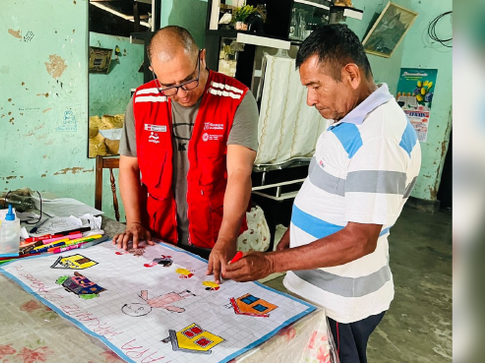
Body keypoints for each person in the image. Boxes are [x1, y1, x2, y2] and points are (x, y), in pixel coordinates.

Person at [223, 24, 422, 363]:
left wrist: (271, 261)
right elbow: (337, 193)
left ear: (351, 74)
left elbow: (360, 239)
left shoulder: (376, 138)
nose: (309, 99)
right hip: (325, 290)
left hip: (341, 301)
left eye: (315, 86)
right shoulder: (356, 117)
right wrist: (295, 236)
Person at [112, 26, 259, 284]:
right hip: (156, 236)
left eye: (188, 80)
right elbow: (129, 167)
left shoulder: (236, 99)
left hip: (214, 238)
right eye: (169, 86)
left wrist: (226, 239)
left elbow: (239, 173)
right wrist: (134, 222)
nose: (182, 93)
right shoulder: (141, 101)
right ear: (153, 72)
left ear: (201, 58)